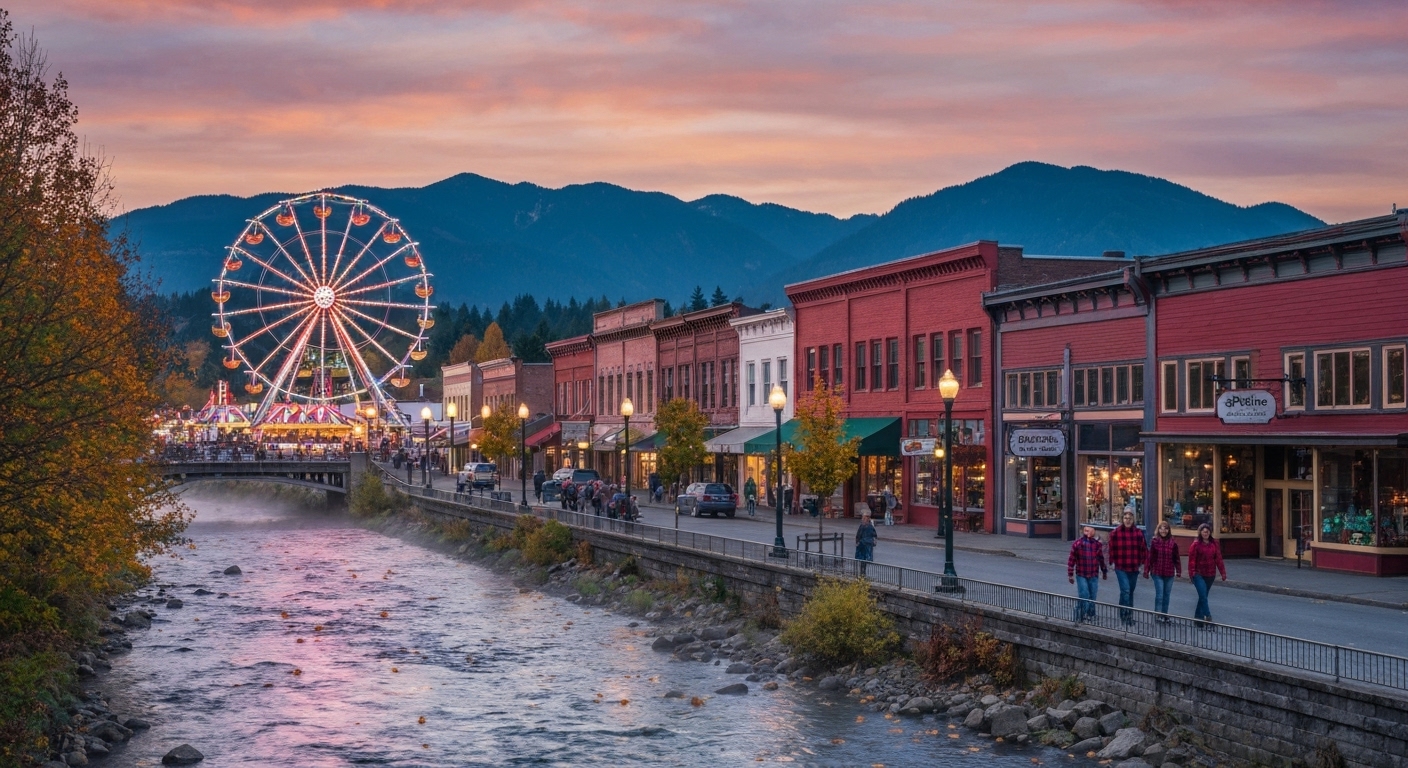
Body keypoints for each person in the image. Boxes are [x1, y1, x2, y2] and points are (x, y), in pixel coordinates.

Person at [1109, 510, 1148, 626]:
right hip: (1120, 566)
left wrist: (1143, 564)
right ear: (1122, 519)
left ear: (1133, 520)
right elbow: (1111, 548)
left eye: (1130, 518)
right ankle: (1126, 617)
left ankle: (1127, 613)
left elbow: (1143, 550)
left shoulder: (1138, 533)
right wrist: (1111, 562)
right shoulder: (1116, 533)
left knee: (1129, 592)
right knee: (1125, 590)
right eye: (1125, 518)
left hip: (1134, 567)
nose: (1127, 520)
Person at [1187, 523, 1227, 627]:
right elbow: (1191, 561)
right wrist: (1192, 574)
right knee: (1203, 596)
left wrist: (1223, 572)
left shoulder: (1214, 544)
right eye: (1204, 531)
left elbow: (1218, 559)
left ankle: (1198, 620)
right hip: (1198, 574)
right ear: (1200, 532)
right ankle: (1208, 616)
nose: (1206, 533)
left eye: (1207, 531)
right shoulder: (1195, 545)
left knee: (1203, 597)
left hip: (1210, 574)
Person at [1067, 524, 1108, 623]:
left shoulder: (1097, 545)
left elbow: (1101, 559)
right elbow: (1071, 559)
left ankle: (1090, 615)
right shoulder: (1078, 544)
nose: (1087, 530)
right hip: (1081, 574)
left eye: (1089, 528)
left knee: (1092, 596)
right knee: (1084, 595)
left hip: (1093, 574)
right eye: (1086, 529)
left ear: (1094, 531)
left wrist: (1104, 571)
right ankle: (1079, 616)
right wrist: (1070, 574)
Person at [1144, 520, 1181, 622]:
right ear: (1158, 529)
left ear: (1168, 530)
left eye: (1166, 528)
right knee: (1160, 594)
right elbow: (1150, 557)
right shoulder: (1155, 541)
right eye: (1161, 528)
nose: (1163, 530)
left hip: (1169, 572)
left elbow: (1176, 558)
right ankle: (1158, 614)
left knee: (1166, 595)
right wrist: (1146, 570)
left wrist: (1178, 570)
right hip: (1157, 572)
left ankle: (1164, 614)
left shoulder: (1173, 543)